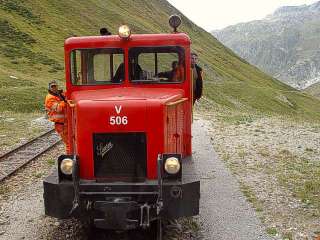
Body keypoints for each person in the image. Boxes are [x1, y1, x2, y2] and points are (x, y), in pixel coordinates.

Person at [45, 80, 70, 153]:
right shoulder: (50, 98)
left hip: (65, 123)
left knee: (71, 142)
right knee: (69, 144)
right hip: (61, 125)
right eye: (52, 86)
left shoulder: (59, 94)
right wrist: (65, 101)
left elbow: (67, 94)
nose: (54, 88)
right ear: (49, 88)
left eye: (55, 86)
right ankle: (69, 158)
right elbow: (58, 108)